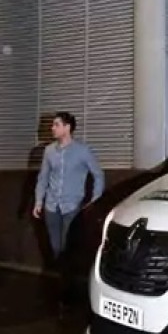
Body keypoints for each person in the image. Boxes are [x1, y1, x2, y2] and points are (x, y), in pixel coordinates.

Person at [33, 112, 104, 272]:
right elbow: (43, 177)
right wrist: (39, 200)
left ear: (67, 127)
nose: (52, 128)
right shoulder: (49, 151)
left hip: (72, 207)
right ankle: (60, 278)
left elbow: (98, 175)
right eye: (52, 125)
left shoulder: (83, 151)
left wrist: (95, 199)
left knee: (69, 247)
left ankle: (67, 280)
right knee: (55, 247)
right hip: (51, 206)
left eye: (56, 125)